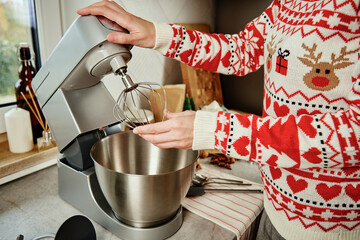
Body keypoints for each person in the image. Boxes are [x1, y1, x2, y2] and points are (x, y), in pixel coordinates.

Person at [78, 0, 360, 239]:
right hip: (275, 209)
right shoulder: (288, 4)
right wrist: (155, 34)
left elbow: (353, 134)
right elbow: (242, 51)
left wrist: (217, 130)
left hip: (331, 226)